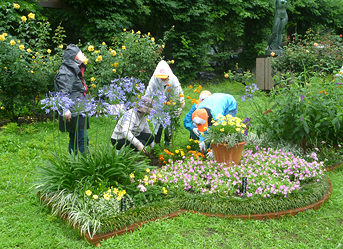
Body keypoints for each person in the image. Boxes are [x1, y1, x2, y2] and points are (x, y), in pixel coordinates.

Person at [54, 44, 89, 154]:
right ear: (72, 58)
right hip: (72, 111)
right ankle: (85, 165)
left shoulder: (73, 70)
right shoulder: (66, 72)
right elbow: (63, 92)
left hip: (77, 110)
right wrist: (65, 109)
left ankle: (73, 164)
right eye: (78, 57)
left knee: (75, 139)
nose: (81, 60)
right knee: (82, 140)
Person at [145, 60, 185, 147]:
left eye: (164, 76)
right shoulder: (154, 80)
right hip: (157, 105)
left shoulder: (173, 80)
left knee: (169, 125)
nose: (162, 78)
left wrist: (179, 107)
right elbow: (148, 92)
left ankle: (167, 143)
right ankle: (157, 144)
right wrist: (146, 106)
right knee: (158, 126)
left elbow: (179, 94)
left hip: (171, 105)